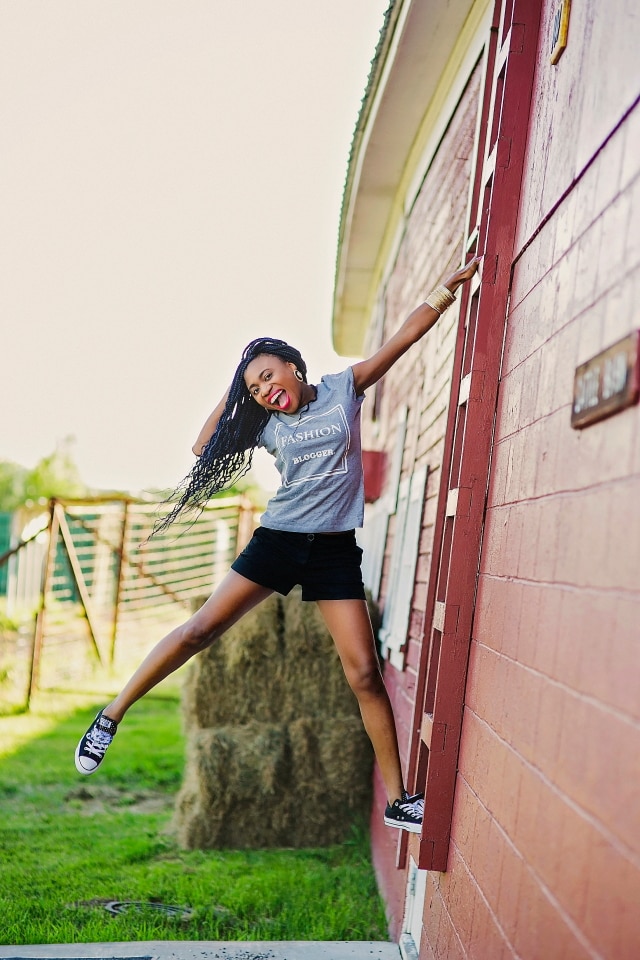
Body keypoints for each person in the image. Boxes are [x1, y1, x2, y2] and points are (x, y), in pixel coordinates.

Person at [75, 255, 481, 834]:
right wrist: (234, 387)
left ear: (294, 366)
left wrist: (448, 288)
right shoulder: (264, 425)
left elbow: (404, 337)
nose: (265, 390)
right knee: (200, 630)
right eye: (255, 386)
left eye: (270, 375)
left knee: (364, 673)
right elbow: (201, 446)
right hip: (279, 541)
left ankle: (399, 801)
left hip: (334, 550)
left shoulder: (344, 389)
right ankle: (110, 717)